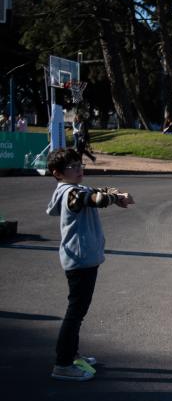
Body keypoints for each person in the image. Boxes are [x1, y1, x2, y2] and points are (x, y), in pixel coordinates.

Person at [46, 148, 135, 381]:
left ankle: (72, 355)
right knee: (75, 312)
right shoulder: (70, 193)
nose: (78, 170)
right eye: (72, 167)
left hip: (84, 258)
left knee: (78, 312)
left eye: (79, 165)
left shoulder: (76, 188)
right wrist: (115, 198)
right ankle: (63, 364)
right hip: (79, 259)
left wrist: (119, 196)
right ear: (57, 173)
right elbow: (96, 199)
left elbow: (99, 191)